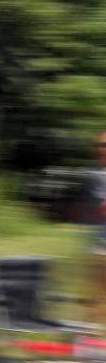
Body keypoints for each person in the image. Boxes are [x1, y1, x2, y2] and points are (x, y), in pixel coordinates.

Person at [85, 132, 106, 324]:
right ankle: (86, 334)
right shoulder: (96, 175)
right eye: (101, 145)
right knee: (97, 295)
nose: (103, 148)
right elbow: (103, 208)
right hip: (102, 245)